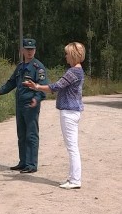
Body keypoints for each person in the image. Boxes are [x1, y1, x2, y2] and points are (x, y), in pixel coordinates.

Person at [23, 42, 85, 189]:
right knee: (72, 147)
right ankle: (73, 177)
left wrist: (37, 86)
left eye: (67, 54)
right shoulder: (78, 70)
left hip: (69, 112)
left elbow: (55, 87)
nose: (66, 57)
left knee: (72, 147)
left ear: (73, 55)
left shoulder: (73, 72)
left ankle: (75, 180)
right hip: (73, 111)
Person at [0, 38, 48, 173]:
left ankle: (31, 165)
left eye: (32, 49)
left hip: (31, 105)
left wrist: (36, 99)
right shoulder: (20, 67)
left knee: (31, 135)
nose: (29, 52)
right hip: (20, 105)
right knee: (21, 134)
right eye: (27, 49)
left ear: (35, 50)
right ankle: (23, 162)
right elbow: (11, 83)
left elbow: (42, 88)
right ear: (22, 50)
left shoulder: (38, 68)